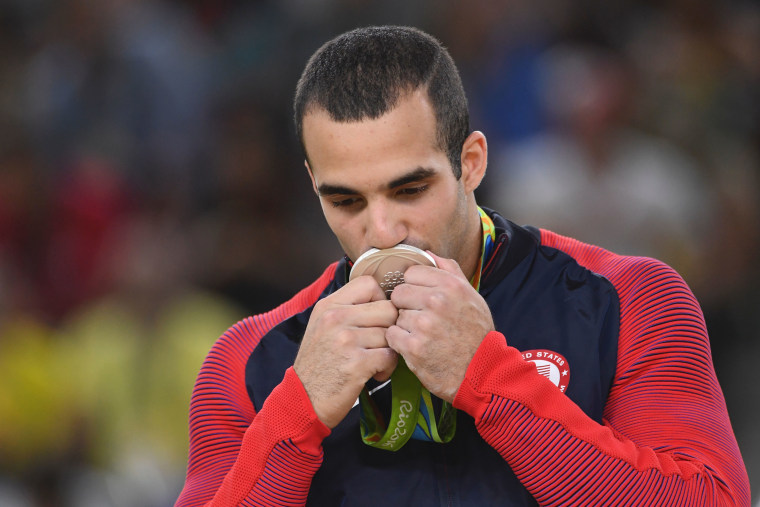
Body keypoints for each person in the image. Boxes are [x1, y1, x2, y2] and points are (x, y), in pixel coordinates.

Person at [175, 26, 750, 506]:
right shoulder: (247, 359)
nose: (382, 231)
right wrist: (297, 410)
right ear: (313, 187)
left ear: (470, 162)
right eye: (345, 200)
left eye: (410, 189)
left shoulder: (629, 298)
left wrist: (491, 380)